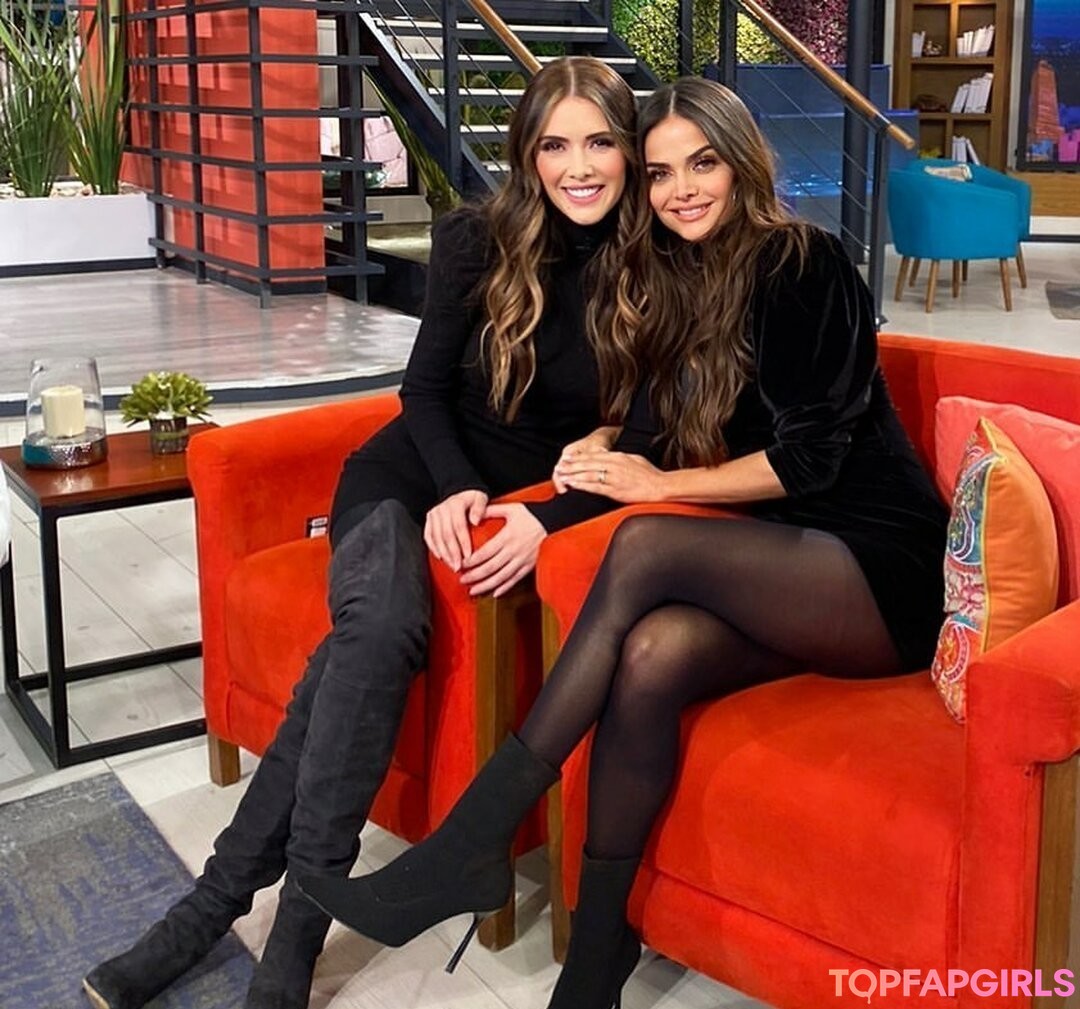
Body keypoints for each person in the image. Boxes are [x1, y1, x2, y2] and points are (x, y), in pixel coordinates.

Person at [299, 77, 950, 1009]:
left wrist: (659, 485)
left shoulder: (800, 261)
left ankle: (473, 839)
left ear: (742, 163)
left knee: (643, 542)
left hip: (880, 565)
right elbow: (650, 426)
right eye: (660, 172)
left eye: (703, 164)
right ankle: (596, 960)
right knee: (650, 655)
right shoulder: (678, 277)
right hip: (787, 565)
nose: (682, 189)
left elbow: (811, 458)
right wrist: (606, 444)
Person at [82, 55, 641, 1009]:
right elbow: (421, 392)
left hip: (508, 497)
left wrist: (552, 502)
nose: (578, 167)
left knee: (353, 651)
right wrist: (461, 488)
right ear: (527, 154)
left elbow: (657, 438)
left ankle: (228, 911)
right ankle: (274, 924)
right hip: (405, 474)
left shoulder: (657, 269)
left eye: (599, 143)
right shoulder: (477, 239)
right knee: (380, 625)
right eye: (555, 145)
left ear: (629, 150)